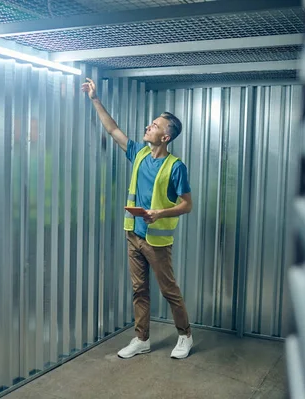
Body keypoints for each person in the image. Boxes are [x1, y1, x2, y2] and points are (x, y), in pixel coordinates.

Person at [81, 78, 194, 359]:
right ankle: (141, 339)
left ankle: (185, 335)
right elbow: (113, 130)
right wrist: (95, 99)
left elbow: (187, 205)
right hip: (133, 235)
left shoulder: (175, 167)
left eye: (155, 126)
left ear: (165, 137)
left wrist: (160, 213)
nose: (148, 127)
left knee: (169, 291)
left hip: (156, 241)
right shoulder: (140, 153)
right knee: (139, 289)